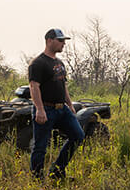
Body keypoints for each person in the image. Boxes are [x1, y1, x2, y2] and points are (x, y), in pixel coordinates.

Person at [27, 28, 86, 180]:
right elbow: (34, 86)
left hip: (62, 109)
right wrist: (40, 109)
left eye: (64, 41)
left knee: (78, 135)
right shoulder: (38, 63)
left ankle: (57, 171)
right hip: (45, 108)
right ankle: (37, 179)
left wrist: (70, 104)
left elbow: (63, 85)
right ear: (49, 41)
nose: (63, 44)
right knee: (40, 146)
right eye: (60, 40)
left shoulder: (59, 63)